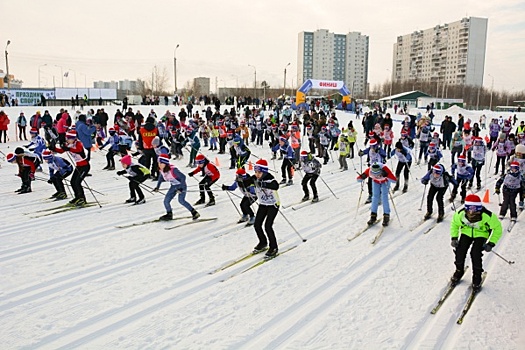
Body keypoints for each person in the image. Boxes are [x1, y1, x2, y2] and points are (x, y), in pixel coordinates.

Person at [450, 194, 502, 291]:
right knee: (460, 251)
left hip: (481, 234)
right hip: (466, 232)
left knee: (475, 253)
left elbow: (497, 228)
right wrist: (454, 237)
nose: (472, 211)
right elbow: (455, 224)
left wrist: (491, 243)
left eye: (475, 208)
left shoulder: (487, 215)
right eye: (470, 208)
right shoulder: (461, 214)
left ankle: (477, 277)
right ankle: (459, 270)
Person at [51, 130, 90, 206]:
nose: (67, 140)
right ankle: (77, 197)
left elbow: (78, 150)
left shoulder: (78, 143)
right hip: (78, 166)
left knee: (77, 182)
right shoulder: (68, 144)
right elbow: (61, 151)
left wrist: (68, 149)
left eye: (69, 138)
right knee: (72, 182)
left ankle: (82, 198)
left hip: (85, 166)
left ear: (74, 138)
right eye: (67, 138)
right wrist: (53, 148)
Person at [155, 153, 200, 221]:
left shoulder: (173, 170)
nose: (159, 165)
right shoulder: (162, 170)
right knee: (166, 201)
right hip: (173, 186)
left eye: (161, 163)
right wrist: (157, 187)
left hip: (181, 185)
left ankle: (194, 212)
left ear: (165, 163)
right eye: (158, 163)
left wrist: (181, 188)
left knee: (181, 200)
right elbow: (161, 177)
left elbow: (183, 177)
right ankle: (169, 214)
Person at [252, 159, 280, 258]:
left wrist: (263, 184)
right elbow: (247, 181)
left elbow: (275, 186)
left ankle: (274, 247)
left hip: (273, 205)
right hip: (263, 204)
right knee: (257, 224)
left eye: (259, 172)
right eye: (255, 172)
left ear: (264, 171)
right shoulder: (255, 178)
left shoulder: (270, 179)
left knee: (268, 226)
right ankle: (263, 242)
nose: (257, 174)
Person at [358, 162, 397, 226]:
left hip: (385, 182)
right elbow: (358, 179)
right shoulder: (369, 170)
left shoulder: (385, 168)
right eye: (374, 174)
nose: (377, 176)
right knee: (375, 198)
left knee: (384, 198)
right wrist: (362, 177)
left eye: (378, 174)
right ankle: (373, 216)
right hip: (376, 182)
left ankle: (386, 216)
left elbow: (394, 180)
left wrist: (386, 175)